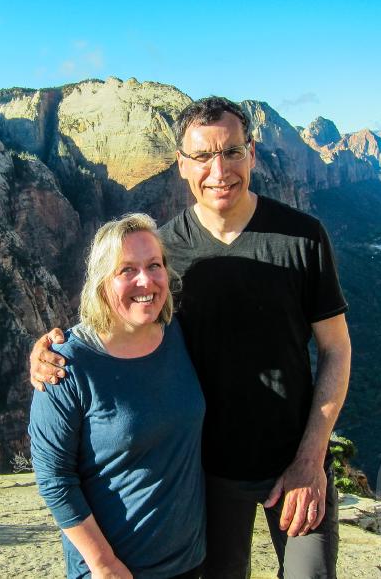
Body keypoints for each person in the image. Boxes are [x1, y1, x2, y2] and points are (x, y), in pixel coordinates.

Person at [30, 97, 351, 579]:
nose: (218, 171)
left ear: (252, 154)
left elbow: (336, 349)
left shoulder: (303, 236)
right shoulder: (165, 251)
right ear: (182, 165)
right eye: (202, 156)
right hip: (208, 476)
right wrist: (51, 351)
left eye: (232, 152)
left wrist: (311, 459)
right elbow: (119, 315)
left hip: (296, 462)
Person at [28, 213, 206, 579]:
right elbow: (53, 477)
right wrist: (103, 564)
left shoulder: (180, 334)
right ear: (102, 282)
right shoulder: (65, 365)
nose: (145, 280)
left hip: (189, 563)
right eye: (127, 270)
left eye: (154, 266)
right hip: (116, 571)